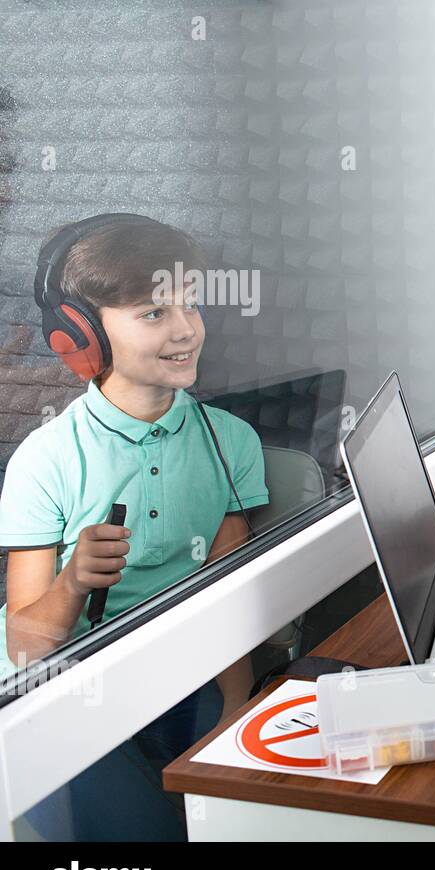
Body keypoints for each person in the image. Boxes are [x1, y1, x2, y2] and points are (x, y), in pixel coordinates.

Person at [0, 214, 268, 743]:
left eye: (190, 303)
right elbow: (26, 646)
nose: (185, 328)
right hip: (51, 694)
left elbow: (224, 599)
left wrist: (236, 712)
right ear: (82, 336)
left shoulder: (232, 441)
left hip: (172, 679)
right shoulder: (46, 458)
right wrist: (75, 578)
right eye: (153, 312)